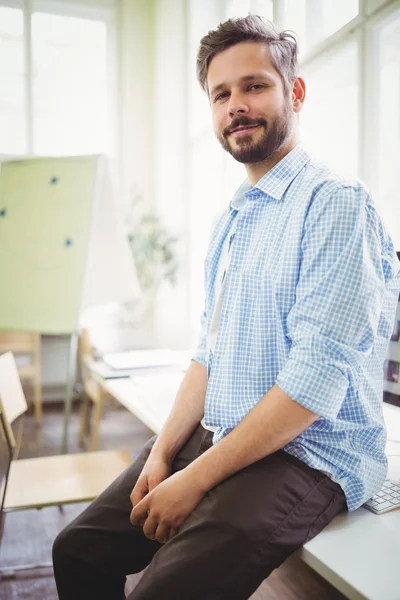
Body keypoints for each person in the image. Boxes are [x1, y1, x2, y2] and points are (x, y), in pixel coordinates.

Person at [52, 15, 400, 600]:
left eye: (255, 86)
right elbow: (207, 356)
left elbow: (313, 386)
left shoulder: (336, 205)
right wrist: (163, 455)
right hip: (227, 432)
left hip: (312, 454)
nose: (236, 104)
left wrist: (194, 480)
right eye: (221, 94)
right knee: (77, 549)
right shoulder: (234, 219)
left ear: (295, 92)